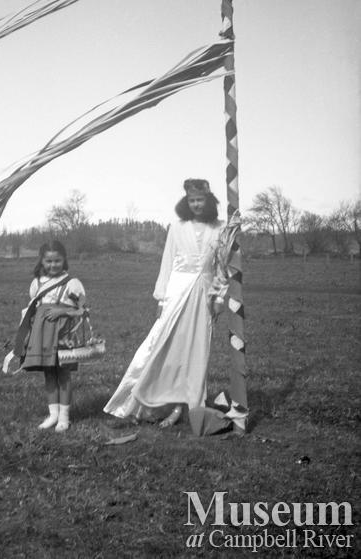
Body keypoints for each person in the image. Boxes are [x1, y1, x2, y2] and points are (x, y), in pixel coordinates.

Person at [103, 179, 229, 428]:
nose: (196, 204)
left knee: (195, 351)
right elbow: (167, 263)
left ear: (208, 201)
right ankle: (146, 401)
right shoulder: (177, 227)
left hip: (203, 294)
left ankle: (186, 405)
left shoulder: (220, 229)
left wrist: (219, 297)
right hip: (177, 291)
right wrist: (161, 297)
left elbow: (222, 268)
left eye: (200, 200)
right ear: (186, 201)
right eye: (192, 200)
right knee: (163, 347)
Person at [12, 240, 86, 432]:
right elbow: (32, 308)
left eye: (57, 261)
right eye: (49, 261)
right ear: (42, 261)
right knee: (49, 373)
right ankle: (53, 414)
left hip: (63, 334)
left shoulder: (72, 283)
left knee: (63, 373)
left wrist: (62, 312)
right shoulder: (36, 283)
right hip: (42, 333)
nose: (53, 265)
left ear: (64, 260)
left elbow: (82, 310)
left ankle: (64, 417)